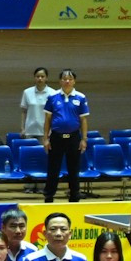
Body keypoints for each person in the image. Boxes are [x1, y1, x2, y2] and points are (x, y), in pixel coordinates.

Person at [42, 68, 90, 205]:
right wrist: (46, 138)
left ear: (74, 81)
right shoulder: (53, 97)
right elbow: (47, 120)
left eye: (69, 79)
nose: (67, 81)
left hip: (74, 138)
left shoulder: (81, 97)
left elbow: (83, 120)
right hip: (56, 137)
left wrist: (84, 139)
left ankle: (74, 198)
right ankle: (49, 197)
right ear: (60, 81)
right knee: (53, 169)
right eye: (64, 79)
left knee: (74, 169)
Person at [19, 65, 52, 141]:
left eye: (42, 76)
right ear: (34, 78)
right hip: (29, 131)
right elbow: (24, 112)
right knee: (29, 152)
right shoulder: (27, 92)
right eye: (37, 76)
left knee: (44, 152)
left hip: (46, 132)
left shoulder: (53, 93)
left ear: (46, 78)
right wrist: (22, 128)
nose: (40, 78)